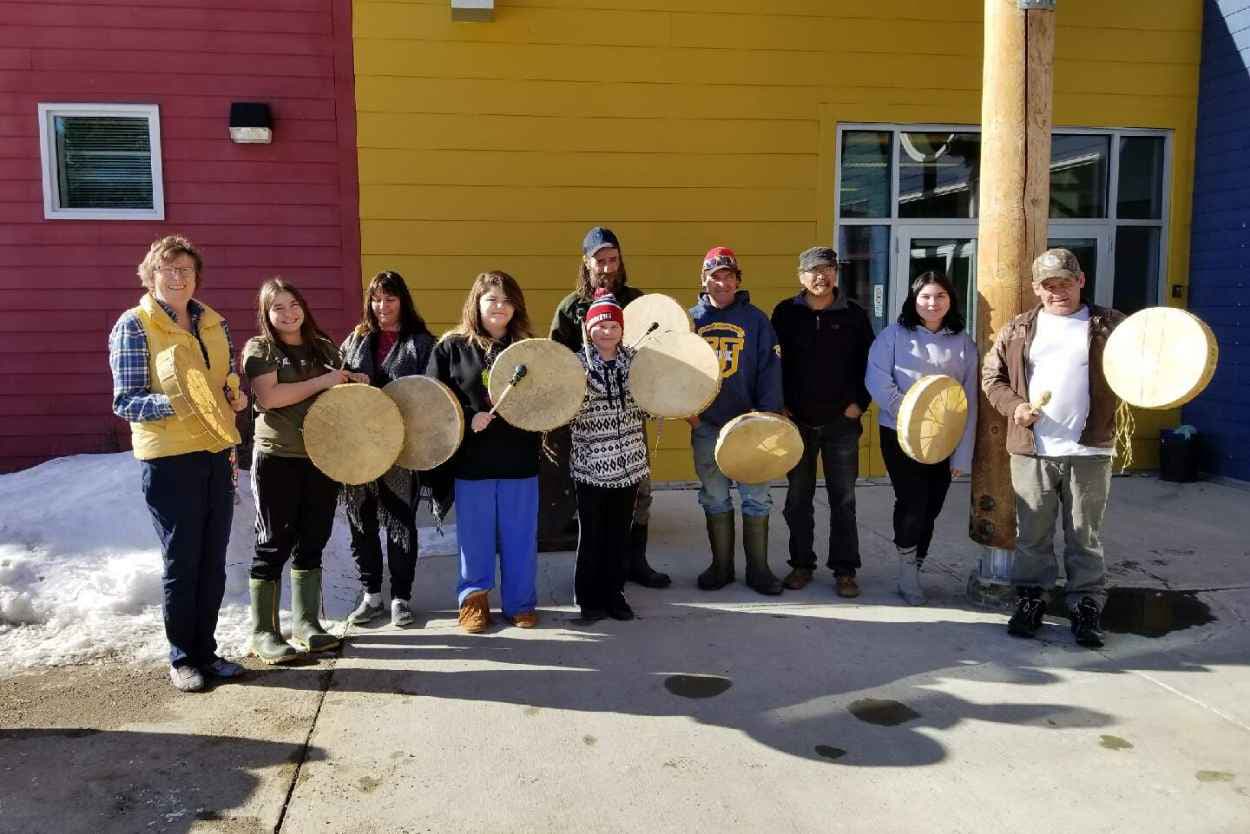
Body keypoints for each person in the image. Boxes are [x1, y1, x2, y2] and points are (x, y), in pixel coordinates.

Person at [107, 235, 248, 692]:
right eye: (168, 269)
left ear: (196, 277)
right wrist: (182, 404)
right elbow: (126, 401)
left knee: (213, 560)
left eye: (186, 270)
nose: (177, 277)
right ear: (150, 275)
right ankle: (182, 658)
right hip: (169, 459)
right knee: (182, 560)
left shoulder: (213, 323)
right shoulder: (134, 325)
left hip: (216, 450)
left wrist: (232, 393)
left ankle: (206, 651)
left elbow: (224, 377)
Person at [982, 248, 1125, 648]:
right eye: (1048, 285)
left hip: (1090, 448)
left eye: (1065, 282)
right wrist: (1015, 407)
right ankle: (1032, 599)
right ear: (1035, 289)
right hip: (1033, 449)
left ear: (1081, 281)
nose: (1057, 291)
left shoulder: (1110, 325)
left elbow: (1143, 362)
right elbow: (992, 377)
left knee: (1084, 534)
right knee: (1033, 534)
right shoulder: (1019, 328)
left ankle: (1085, 606)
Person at [241, 278, 367, 662]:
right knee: (274, 541)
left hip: (322, 457)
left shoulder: (324, 348)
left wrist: (352, 382)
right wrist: (327, 380)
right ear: (266, 313)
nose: (288, 313)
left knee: (313, 538)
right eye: (277, 307)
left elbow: (339, 397)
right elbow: (271, 396)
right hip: (277, 457)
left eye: (293, 304)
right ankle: (264, 632)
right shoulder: (260, 349)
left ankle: (307, 624)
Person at [549, 226, 669, 588]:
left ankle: (635, 562)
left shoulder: (638, 302)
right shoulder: (571, 308)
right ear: (586, 263)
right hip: (589, 423)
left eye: (612, 259)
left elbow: (654, 357)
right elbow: (557, 364)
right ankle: (596, 574)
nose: (606, 266)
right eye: (599, 260)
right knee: (594, 502)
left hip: (630, 419)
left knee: (639, 491)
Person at [427, 270, 542, 633]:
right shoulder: (451, 347)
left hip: (519, 459)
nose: (500, 307)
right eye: (492, 299)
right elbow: (433, 400)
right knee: (474, 537)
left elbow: (547, 397)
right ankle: (474, 601)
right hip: (473, 463)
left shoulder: (528, 348)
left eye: (507, 301)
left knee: (519, 537)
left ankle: (520, 603)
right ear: (476, 303)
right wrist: (466, 416)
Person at [865, 271, 977, 606]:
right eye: (925, 296)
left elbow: (970, 398)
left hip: (945, 438)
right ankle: (907, 570)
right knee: (912, 501)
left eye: (940, 296)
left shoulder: (963, 343)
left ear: (950, 301)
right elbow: (877, 380)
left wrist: (962, 455)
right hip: (900, 433)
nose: (932, 303)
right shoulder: (893, 336)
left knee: (932, 505)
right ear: (914, 301)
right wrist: (913, 412)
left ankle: (917, 560)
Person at [771, 246, 875, 598]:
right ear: (800, 276)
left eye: (828, 269)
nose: (821, 276)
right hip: (796, 422)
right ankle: (801, 564)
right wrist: (780, 405)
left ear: (836, 273)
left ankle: (845, 570)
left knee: (842, 500)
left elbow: (870, 365)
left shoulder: (854, 315)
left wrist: (859, 404)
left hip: (841, 424)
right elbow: (773, 364)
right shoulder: (785, 314)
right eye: (813, 270)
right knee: (797, 499)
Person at [340, 271, 436, 628]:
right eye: (376, 299)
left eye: (390, 299)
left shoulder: (422, 343)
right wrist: (351, 380)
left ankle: (401, 598)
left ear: (403, 301)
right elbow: (338, 387)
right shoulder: (356, 339)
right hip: (359, 448)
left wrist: (382, 385)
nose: (382, 306)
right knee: (360, 521)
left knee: (400, 522)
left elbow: (431, 396)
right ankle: (371, 596)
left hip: (401, 448)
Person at [688, 246, 786, 595]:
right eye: (715, 275)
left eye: (728, 276)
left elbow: (770, 370)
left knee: (756, 496)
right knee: (714, 496)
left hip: (750, 424)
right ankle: (721, 566)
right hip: (707, 425)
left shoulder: (756, 320)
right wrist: (693, 417)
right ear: (704, 280)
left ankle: (758, 570)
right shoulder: (690, 321)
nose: (722, 282)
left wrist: (766, 417)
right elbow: (675, 374)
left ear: (737, 280)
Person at [569, 290, 649, 621]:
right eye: (600, 326)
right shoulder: (575, 365)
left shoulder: (637, 363)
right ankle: (588, 597)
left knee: (619, 534)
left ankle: (615, 593)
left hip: (629, 463)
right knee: (592, 534)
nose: (607, 332)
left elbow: (652, 404)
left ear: (622, 329)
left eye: (613, 326)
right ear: (589, 329)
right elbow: (563, 411)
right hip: (591, 464)